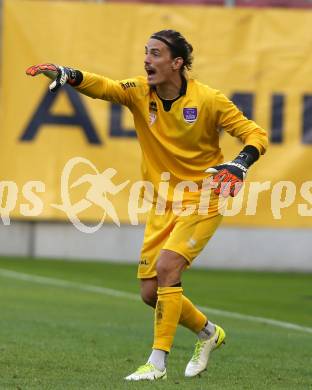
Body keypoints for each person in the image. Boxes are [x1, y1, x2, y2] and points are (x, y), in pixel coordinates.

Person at [26, 29, 268, 381]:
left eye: (155, 53)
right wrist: (69, 74)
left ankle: (156, 363)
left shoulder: (209, 100)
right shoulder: (141, 92)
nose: (147, 59)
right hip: (162, 202)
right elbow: (105, 87)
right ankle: (208, 333)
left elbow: (255, 134)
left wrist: (240, 163)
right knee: (150, 292)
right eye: (146, 52)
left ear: (177, 62)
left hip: (204, 197)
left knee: (169, 268)